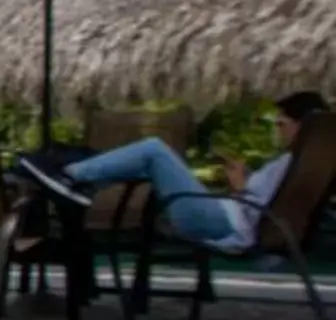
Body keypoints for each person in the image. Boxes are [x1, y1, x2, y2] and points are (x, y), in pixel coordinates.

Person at [18, 92, 325, 251]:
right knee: (151, 156)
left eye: (281, 123)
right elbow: (266, 205)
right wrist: (240, 185)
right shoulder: (306, 163)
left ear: (302, 125)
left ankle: (70, 174)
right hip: (227, 215)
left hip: (220, 222)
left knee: (154, 150)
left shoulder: (290, 162)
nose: (278, 130)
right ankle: (78, 180)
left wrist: (240, 186)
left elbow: (255, 209)